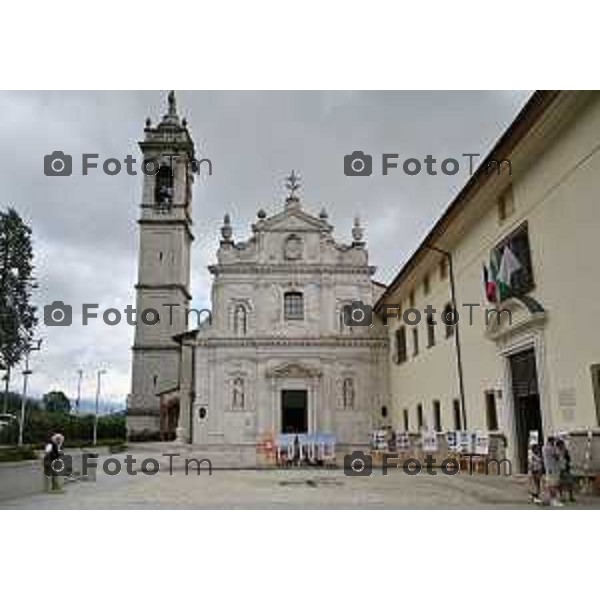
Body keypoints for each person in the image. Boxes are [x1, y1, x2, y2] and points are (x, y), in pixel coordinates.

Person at [542, 436, 563, 507]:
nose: (554, 443)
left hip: (550, 468)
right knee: (553, 485)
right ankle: (553, 500)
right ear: (551, 441)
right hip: (552, 469)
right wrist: (559, 450)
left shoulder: (544, 447)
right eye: (553, 441)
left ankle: (551, 499)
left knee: (551, 484)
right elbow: (556, 457)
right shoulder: (550, 448)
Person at [556, 439, 576, 503]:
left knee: (570, 483)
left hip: (566, 469)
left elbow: (569, 459)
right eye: (561, 445)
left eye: (563, 445)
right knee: (560, 484)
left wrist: (565, 455)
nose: (562, 446)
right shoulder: (556, 452)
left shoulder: (565, 451)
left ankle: (571, 496)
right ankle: (561, 496)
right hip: (559, 469)